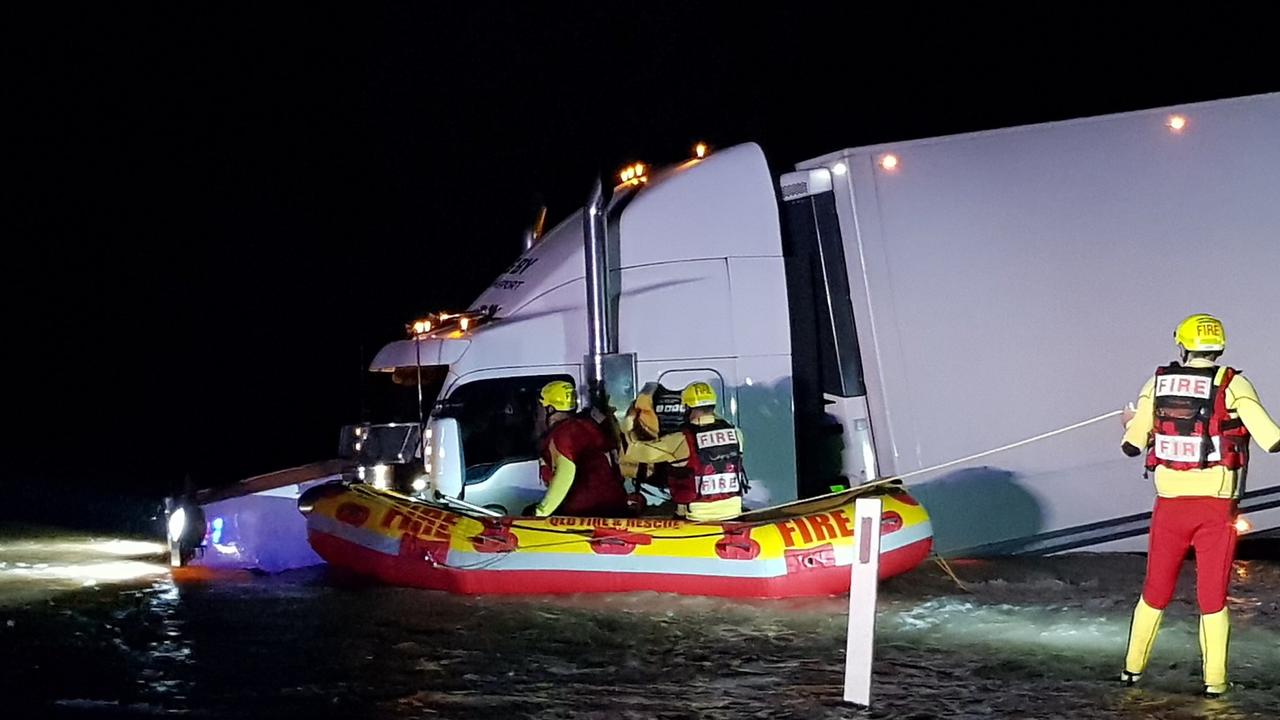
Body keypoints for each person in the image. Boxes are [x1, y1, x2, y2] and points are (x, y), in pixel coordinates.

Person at [1119, 313, 1280, 697]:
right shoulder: (1235, 384)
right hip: (1216, 509)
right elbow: (1272, 439)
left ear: (1183, 345)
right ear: (1219, 346)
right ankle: (1215, 683)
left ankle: (1131, 672)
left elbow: (1131, 444)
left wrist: (1131, 422)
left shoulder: (1156, 383)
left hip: (1170, 506)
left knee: (1154, 591)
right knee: (1212, 599)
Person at [621, 381, 747, 521]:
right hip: (734, 512)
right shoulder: (736, 434)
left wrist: (630, 420)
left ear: (687, 408)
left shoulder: (681, 440)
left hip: (696, 516)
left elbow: (633, 451)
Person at [531, 380, 629, 517]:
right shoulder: (585, 426)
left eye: (540, 408)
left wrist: (541, 512)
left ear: (550, 409)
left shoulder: (564, 433)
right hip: (613, 508)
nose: (538, 415)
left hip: (588, 512)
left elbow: (565, 474)